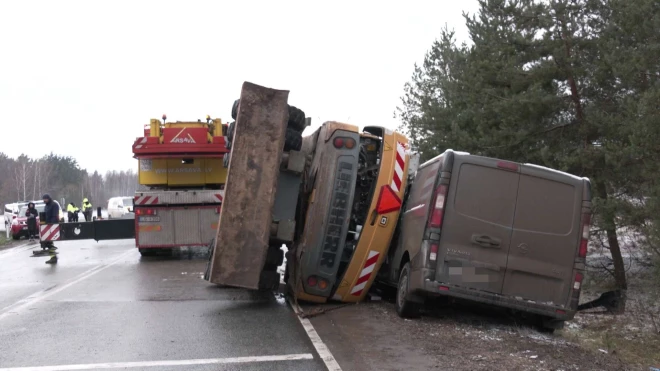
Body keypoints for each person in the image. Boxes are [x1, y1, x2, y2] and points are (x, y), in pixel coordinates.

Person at [42, 194, 60, 264]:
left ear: (48, 198)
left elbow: (54, 215)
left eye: (45, 199)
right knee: (48, 242)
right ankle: (53, 257)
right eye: (43, 199)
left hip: (52, 225)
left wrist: (52, 225)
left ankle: (53, 257)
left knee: (49, 242)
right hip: (46, 225)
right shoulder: (46, 205)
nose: (44, 200)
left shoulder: (54, 205)